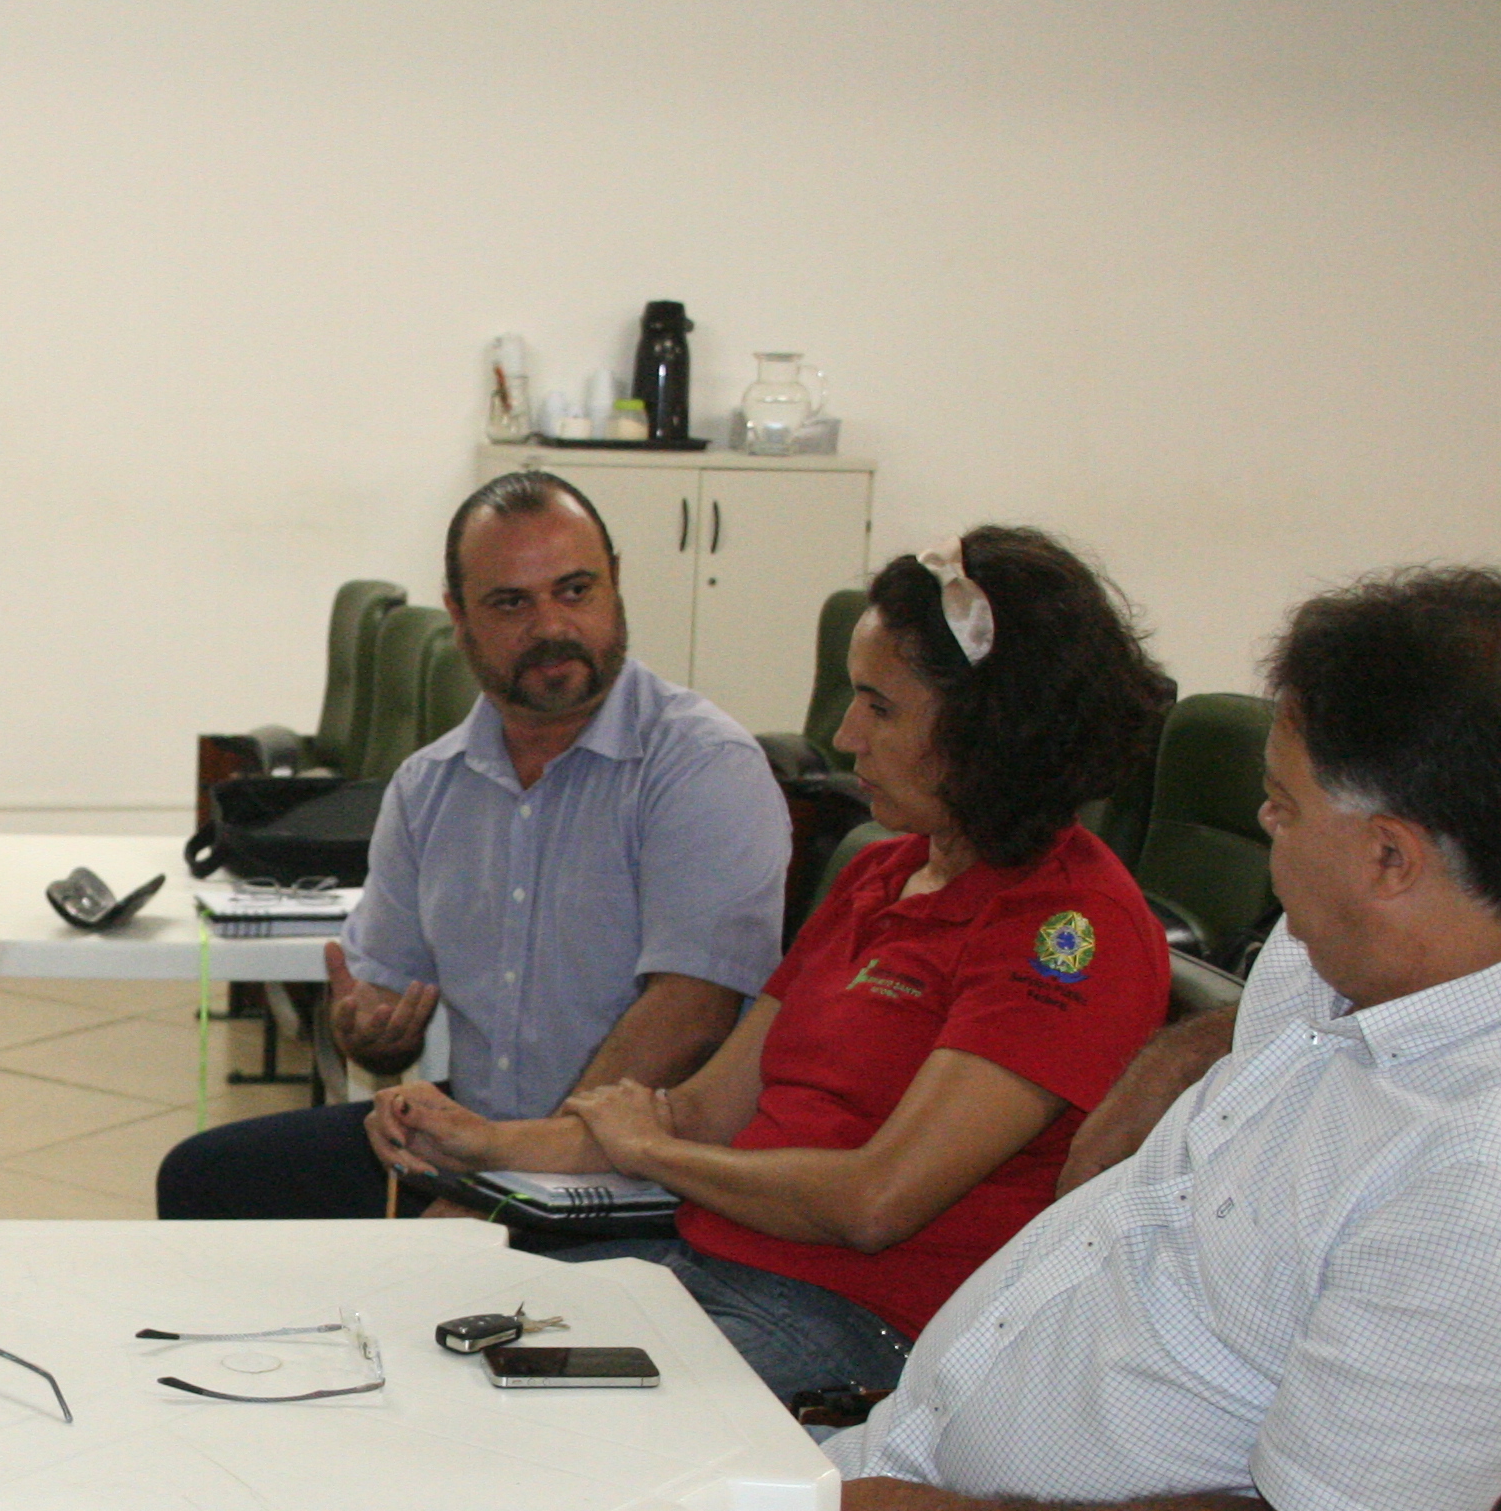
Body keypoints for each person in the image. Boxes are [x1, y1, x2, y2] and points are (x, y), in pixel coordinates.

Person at [486, 566, 1501, 1511]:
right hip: (915, 1489)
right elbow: (1254, 1055)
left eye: (1282, 810)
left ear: (1391, 856)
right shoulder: (1387, 948)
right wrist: (1175, 1056)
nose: (1262, 840)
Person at [371, 527, 1174, 1404]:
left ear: (992, 731)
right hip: (709, 1269)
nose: (845, 734)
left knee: (483, 1410)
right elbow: (699, 1112)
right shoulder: (881, 875)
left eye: (880, 708)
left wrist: (657, 1154)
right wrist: (482, 1142)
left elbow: (875, 1202)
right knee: (405, 1337)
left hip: (865, 1328)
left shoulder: (1070, 926)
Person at [155, 470, 790, 1219]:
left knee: (412, 1254)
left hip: (637, 1175)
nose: (552, 626)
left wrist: (515, 1177)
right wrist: (371, 1033)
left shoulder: (702, 765)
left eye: (575, 590)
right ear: (459, 617)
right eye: (511, 603)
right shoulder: (430, 787)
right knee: (206, 1177)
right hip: (480, 1143)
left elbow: (693, 1015)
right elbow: (382, 1003)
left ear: (616, 583)